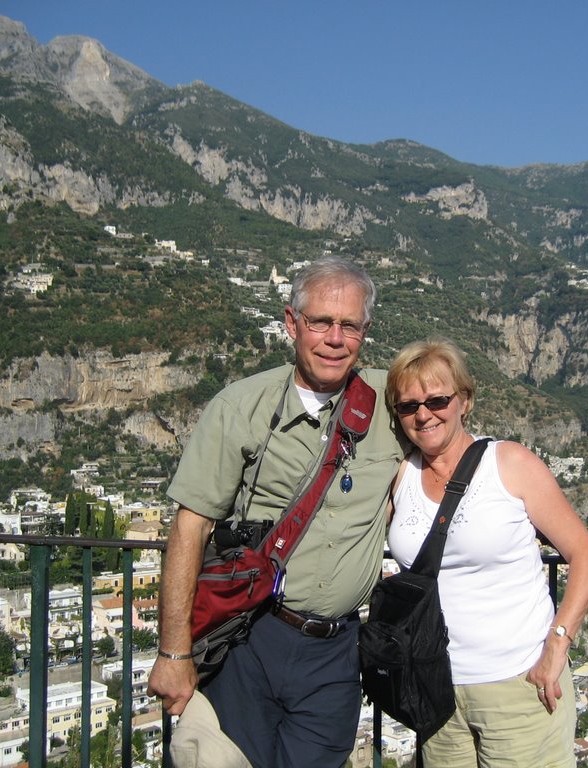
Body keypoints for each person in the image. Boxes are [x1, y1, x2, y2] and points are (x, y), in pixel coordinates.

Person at [147, 257, 406, 768]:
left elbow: (459, 447)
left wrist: (558, 531)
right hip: (251, 637)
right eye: (320, 322)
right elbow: (190, 526)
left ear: (365, 332)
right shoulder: (241, 406)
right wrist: (173, 653)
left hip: (337, 654)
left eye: (349, 325)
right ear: (292, 324)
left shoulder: (393, 401)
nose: (335, 338)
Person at [385, 337, 588, 768]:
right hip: (437, 690)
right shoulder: (401, 476)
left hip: (518, 685)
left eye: (437, 399)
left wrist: (557, 649)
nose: (423, 414)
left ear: (464, 401)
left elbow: (584, 556)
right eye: (408, 406)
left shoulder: (509, 463)